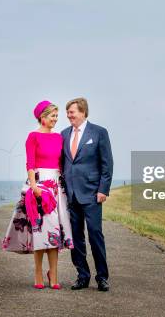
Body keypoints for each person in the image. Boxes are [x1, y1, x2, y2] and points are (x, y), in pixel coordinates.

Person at [2, 100, 73, 289]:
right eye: (52, 116)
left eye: (57, 116)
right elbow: (30, 164)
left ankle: (54, 275)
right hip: (39, 187)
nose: (55, 119)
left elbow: (61, 165)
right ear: (42, 117)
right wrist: (34, 187)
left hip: (56, 189)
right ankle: (38, 273)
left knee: (55, 233)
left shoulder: (59, 138)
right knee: (40, 232)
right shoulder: (33, 137)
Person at [61, 97, 113, 292]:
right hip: (71, 195)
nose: (69, 115)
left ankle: (102, 277)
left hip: (92, 194)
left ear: (82, 112)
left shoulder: (99, 133)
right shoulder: (64, 134)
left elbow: (107, 164)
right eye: (68, 112)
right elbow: (63, 163)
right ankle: (82, 275)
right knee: (75, 238)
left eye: (72, 112)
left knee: (95, 235)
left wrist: (103, 190)